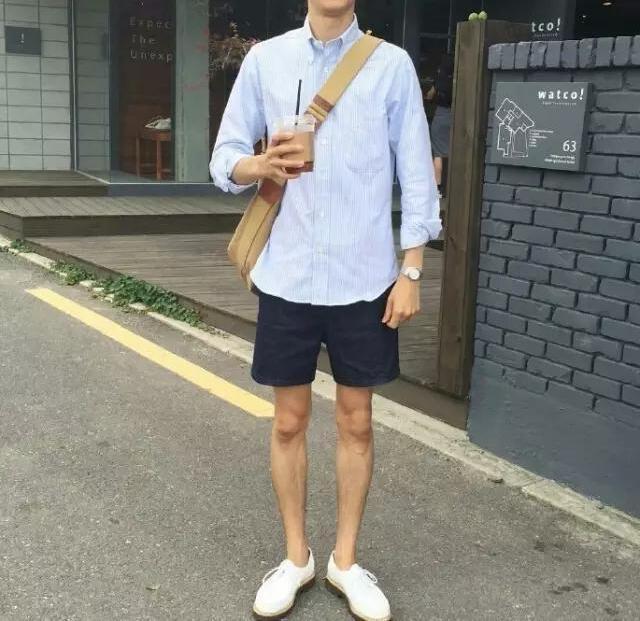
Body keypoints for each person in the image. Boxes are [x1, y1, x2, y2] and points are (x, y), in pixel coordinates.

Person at [210, 1, 441, 619]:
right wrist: (258, 164)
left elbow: (416, 172)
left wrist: (411, 271)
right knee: (288, 422)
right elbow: (224, 156)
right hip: (286, 275)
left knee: (356, 422)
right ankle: (296, 558)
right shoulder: (266, 60)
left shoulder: (390, 65)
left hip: (365, 279)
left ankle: (345, 560)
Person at [429, 53, 454, 193]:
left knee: (438, 154)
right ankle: (451, 186)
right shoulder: (457, 80)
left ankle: (438, 188)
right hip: (455, 116)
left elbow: (430, 96)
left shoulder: (440, 80)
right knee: (452, 152)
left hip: (440, 115)